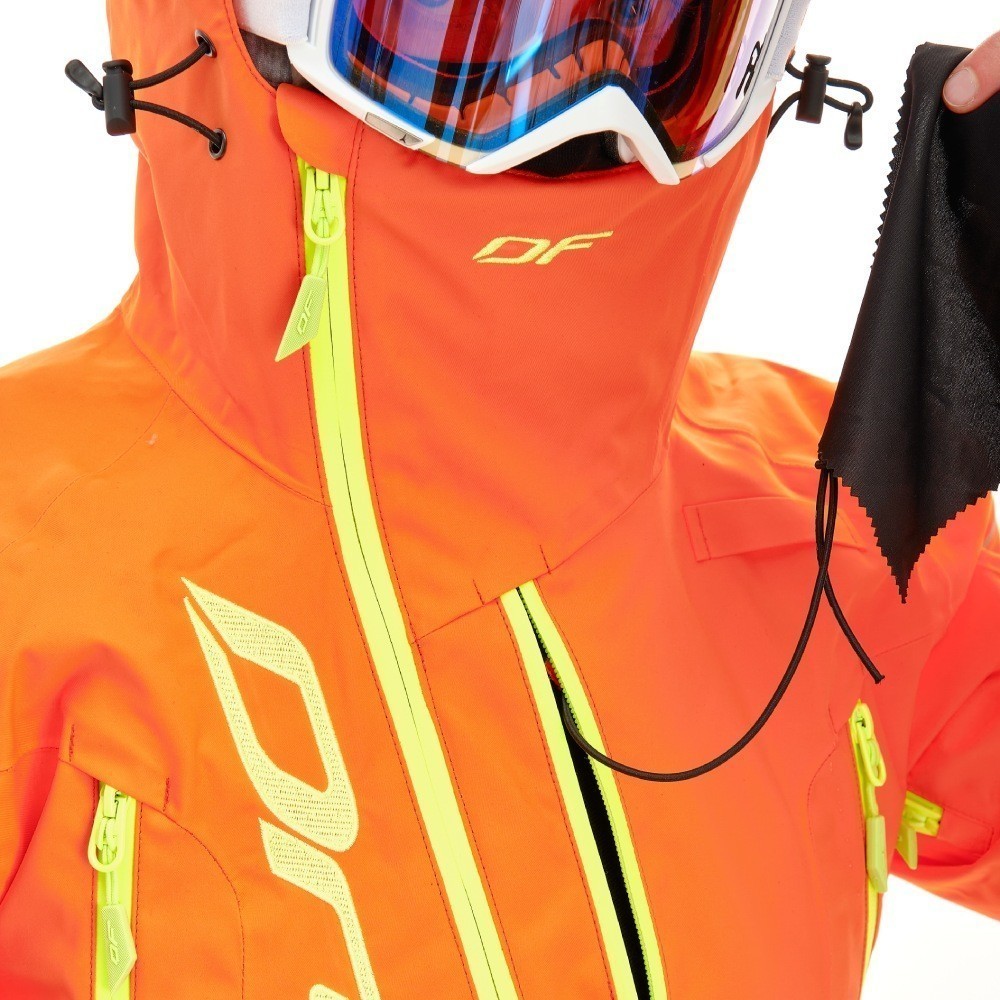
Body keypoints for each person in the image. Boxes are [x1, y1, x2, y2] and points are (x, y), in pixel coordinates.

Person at [0, 2, 997, 997]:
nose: (578, 99)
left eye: (650, 26)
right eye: (456, 17)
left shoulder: (846, 521)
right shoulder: (28, 561)